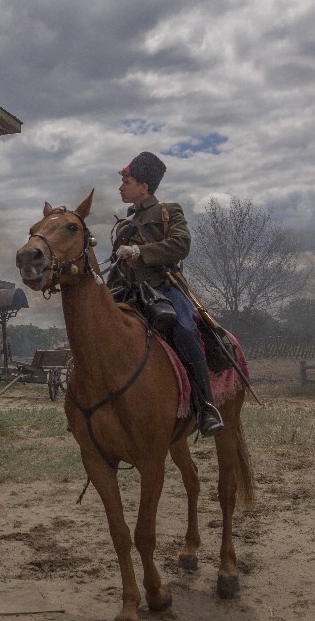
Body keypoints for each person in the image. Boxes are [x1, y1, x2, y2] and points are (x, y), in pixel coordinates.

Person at [107, 151, 224, 436]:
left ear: (144, 187)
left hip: (163, 288)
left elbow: (180, 245)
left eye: (127, 181)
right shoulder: (122, 225)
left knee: (185, 330)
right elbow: (116, 267)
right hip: (127, 293)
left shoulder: (169, 212)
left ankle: (206, 407)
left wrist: (140, 251)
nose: (121, 187)